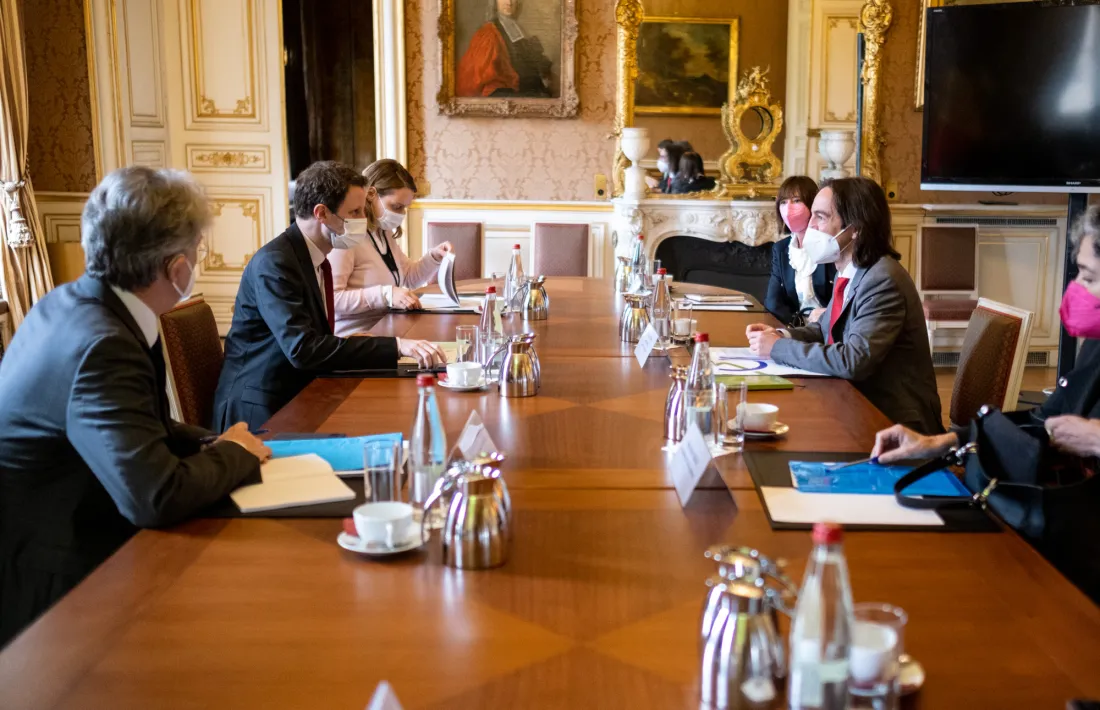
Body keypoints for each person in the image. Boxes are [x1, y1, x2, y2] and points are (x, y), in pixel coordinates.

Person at [0, 166, 271, 647]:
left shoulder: (77, 303)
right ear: (178, 268)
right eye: (197, 249)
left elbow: (142, 426)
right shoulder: (103, 343)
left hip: (76, 530)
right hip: (53, 587)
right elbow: (155, 497)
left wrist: (213, 440)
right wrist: (237, 454)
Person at [871, 204, 1100, 604]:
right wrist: (939, 443)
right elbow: (1040, 421)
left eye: (1089, 277)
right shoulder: (1095, 347)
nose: (1077, 288)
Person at [214, 161, 444, 431]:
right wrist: (397, 346)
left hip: (300, 387)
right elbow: (303, 349)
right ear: (321, 213)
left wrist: (345, 341)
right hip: (263, 407)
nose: (363, 219)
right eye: (355, 212)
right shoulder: (276, 264)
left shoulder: (310, 256)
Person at [746, 177, 943, 434]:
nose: (810, 225)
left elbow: (854, 360)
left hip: (893, 423)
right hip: (855, 402)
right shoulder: (849, 269)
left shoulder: (881, 279)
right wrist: (781, 335)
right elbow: (824, 329)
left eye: (821, 217)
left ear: (855, 228)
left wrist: (779, 348)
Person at [329, 160, 452, 335]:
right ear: (371, 194)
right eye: (396, 207)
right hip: (355, 337)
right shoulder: (347, 238)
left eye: (404, 208)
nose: (401, 214)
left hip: (387, 329)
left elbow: (408, 278)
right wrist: (385, 295)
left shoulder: (382, 232)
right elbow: (331, 300)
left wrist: (434, 257)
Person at [765, 176, 836, 326]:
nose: (788, 208)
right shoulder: (781, 249)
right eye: (783, 202)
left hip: (830, 329)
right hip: (797, 330)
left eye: (796, 201)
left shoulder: (829, 244)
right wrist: (795, 329)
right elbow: (773, 302)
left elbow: (844, 299)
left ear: (812, 204)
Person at [456, 0, 552, 98]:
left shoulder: (520, 30)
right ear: (494, 2)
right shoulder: (489, 33)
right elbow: (488, 80)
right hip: (507, 93)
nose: (509, 2)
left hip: (530, 89)